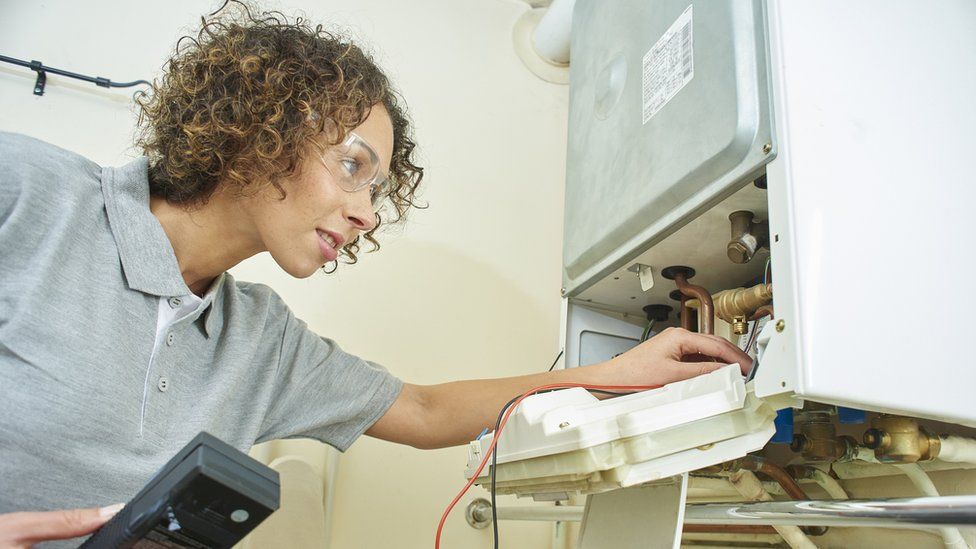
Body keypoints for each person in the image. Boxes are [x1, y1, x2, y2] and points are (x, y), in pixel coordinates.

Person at [0, 4, 752, 546]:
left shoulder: (259, 340)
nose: (367, 213)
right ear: (259, 124)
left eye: (378, 189)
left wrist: (617, 372)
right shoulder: (30, 196)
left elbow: (421, 410)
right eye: (354, 166)